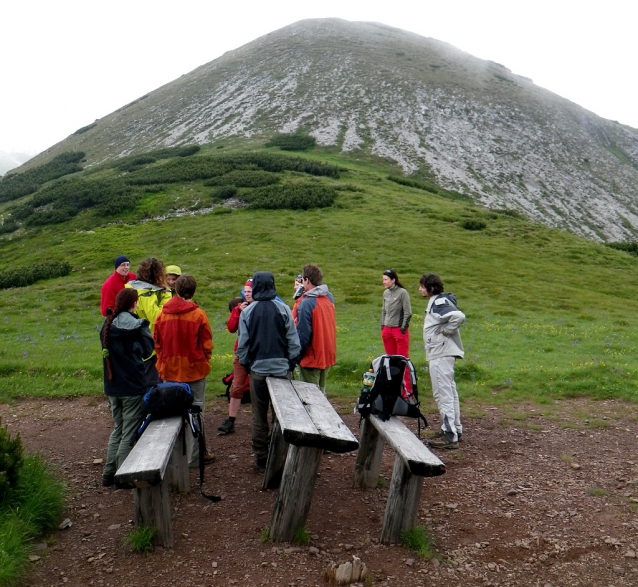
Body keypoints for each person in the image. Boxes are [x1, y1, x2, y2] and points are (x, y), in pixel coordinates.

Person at [236, 271, 301, 472]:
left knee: (258, 414)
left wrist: (248, 365)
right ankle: (280, 454)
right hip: (281, 370)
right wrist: (290, 364)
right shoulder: (283, 309)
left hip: (258, 371)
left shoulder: (247, 312)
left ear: (255, 286)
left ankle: (262, 457)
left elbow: (242, 346)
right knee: (281, 415)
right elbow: (294, 343)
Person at [153, 274, 215, 467]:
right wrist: (204, 360)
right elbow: (207, 345)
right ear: (193, 291)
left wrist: (162, 363)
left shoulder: (162, 314)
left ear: (176, 290)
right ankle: (195, 458)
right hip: (194, 371)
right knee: (196, 412)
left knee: (173, 414)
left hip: (170, 372)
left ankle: (175, 457)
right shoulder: (199, 315)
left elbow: (157, 343)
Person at [100, 288, 155, 487]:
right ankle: (123, 476)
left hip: (112, 386)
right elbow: (148, 349)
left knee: (118, 428)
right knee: (129, 431)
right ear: (133, 304)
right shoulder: (138, 325)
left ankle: (108, 473)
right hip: (132, 385)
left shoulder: (107, 324)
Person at [419, 273, 465, 450]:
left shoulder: (438, 302)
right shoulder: (440, 301)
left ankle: (449, 434)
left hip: (440, 354)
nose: (420, 289)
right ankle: (455, 429)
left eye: (422, 286)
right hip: (442, 353)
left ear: (431, 288)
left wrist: (447, 330)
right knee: (450, 392)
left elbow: (458, 316)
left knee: (442, 393)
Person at [218, 280, 253, 434]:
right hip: (242, 352)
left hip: (258, 354)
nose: (247, 294)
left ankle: (263, 421)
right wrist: (238, 311)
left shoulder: (262, 306)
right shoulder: (240, 307)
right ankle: (231, 420)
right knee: (237, 385)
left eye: (250, 291)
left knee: (262, 387)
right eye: (245, 291)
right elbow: (231, 328)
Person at [295, 264, 336, 394]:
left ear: (307, 280)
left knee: (311, 397)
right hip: (327, 354)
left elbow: (304, 334)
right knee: (322, 393)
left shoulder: (306, 303)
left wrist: (297, 356)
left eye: (302, 280)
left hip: (312, 358)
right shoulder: (328, 297)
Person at [381, 268, 413, 393]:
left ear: (393, 280)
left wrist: (403, 328)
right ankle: (393, 389)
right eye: (383, 279)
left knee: (402, 361)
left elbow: (408, 312)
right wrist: (382, 326)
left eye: (385, 279)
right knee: (390, 361)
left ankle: (407, 391)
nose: (383, 282)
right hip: (387, 331)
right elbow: (383, 311)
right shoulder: (386, 293)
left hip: (398, 330)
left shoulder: (402, 293)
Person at [125, 258, 172, 331]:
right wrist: (167, 293)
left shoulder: (134, 288)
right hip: (149, 337)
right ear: (156, 275)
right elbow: (157, 317)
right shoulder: (145, 293)